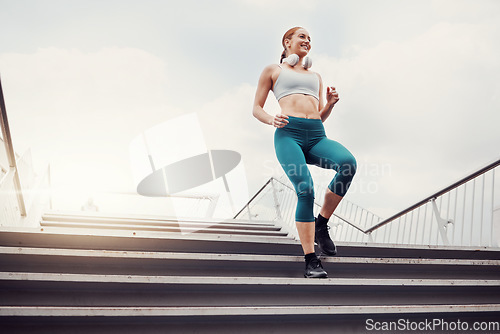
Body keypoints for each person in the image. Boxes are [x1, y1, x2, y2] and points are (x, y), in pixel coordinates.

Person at [252, 27, 357, 278]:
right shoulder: (273, 70)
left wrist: (329, 105)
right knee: (306, 189)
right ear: (287, 42)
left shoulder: (316, 76)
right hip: (289, 134)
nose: (307, 40)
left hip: (316, 134)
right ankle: (311, 259)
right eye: (302, 36)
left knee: (348, 163)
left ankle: (321, 223)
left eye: (309, 38)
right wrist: (270, 119)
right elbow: (256, 108)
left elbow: (319, 115)